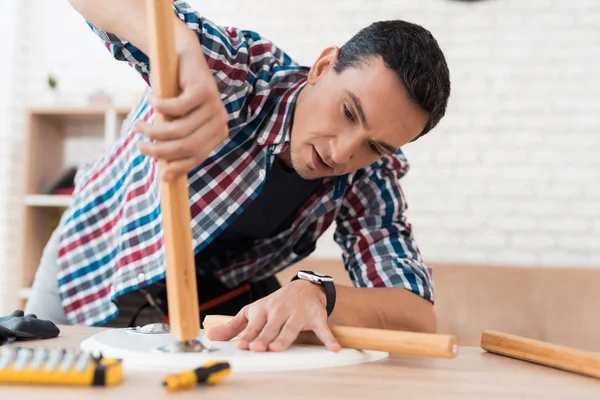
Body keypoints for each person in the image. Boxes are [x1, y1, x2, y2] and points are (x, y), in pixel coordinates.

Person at [25, 0, 450, 353]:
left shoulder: (369, 176)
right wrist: (184, 53)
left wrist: (320, 293)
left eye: (374, 146)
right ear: (323, 67)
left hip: (184, 318)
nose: (343, 152)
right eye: (347, 112)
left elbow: (416, 315)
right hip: (86, 271)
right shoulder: (239, 72)